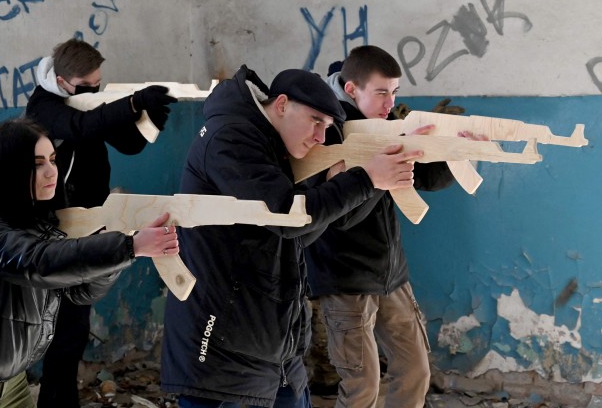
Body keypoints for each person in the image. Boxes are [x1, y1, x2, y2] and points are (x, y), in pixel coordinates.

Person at [161, 65, 422, 408]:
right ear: (282, 104)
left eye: (327, 128)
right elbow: (286, 218)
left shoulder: (272, 143)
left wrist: (335, 187)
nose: (319, 137)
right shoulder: (231, 137)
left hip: (272, 335)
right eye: (316, 121)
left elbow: (296, 237)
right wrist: (364, 180)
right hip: (221, 340)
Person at [0, 117, 179, 408]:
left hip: (14, 385)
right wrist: (128, 246)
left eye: (53, 159)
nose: (52, 171)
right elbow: (32, 262)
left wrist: (118, 242)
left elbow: (80, 292)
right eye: (38, 163)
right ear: (11, 167)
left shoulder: (37, 218)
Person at [25, 38, 177, 408]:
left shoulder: (86, 99)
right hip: (47, 233)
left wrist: (151, 114)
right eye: (86, 86)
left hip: (87, 228)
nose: (94, 90)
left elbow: (128, 144)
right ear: (61, 81)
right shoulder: (42, 107)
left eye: (98, 83)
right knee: (46, 334)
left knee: (73, 331)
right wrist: (132, 103)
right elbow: (79, 125)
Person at [305, 45, 458, 408]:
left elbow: (426, 178)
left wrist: (452, 148)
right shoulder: (328, 132)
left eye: (394, 92)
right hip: (345, 278)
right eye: (381, 92)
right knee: (362, 387)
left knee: (416, 370)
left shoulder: (385, 124)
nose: (390, 102)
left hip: (391, 275)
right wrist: (376, 176)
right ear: (351, 88)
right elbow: (339, 218)